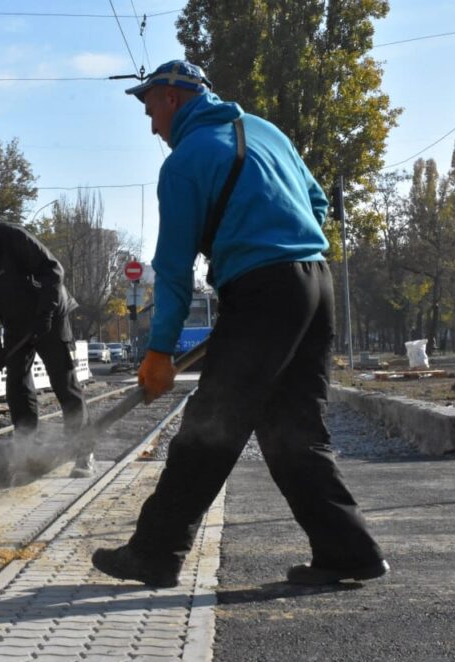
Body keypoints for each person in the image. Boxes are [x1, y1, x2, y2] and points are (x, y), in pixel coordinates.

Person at [91, 60, 387, 587]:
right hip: (315, 286)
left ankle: (156, 552)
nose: (150, 122)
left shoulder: (183, 164)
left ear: (174, 100)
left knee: (212, 423)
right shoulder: (267, 132)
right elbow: (316, 202)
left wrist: (159, 350)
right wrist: (281, 236)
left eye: (149, 107)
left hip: (262, 291)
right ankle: (348, 551)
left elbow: (176, 271)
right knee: (292, 428)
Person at [0, 213, 94, 478]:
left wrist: (45, 314)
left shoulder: (10, 237)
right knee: (17, 388)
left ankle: (83, 453)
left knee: (63, 382)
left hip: (50, 315)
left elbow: (53, 270)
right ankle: (26, 455)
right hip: (16, 323)